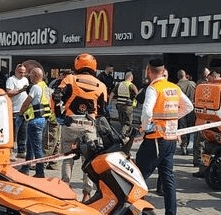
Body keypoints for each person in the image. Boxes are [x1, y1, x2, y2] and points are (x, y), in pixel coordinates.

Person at [135, 58, 193, 215]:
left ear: (148, 70)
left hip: (155, 140)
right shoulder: (174, 87)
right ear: (163, 70)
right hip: (170, 139)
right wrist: (172, 118)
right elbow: (188, 106)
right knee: (168, 180)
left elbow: (146, 112)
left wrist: (145, 128)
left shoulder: (153, 88)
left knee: (138, 179)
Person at [54, 53, 109, 202]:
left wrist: (59, 117)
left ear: (77, 65)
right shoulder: (101, 85)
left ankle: (65, 189)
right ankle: (87, 193)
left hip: (70, 123)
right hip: (88, 126)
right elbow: (103, 111)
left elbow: (56, 96)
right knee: (88, 161)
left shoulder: (70, 79)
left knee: (67, 158)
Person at [18, 67, 51, 178]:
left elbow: (27, 102)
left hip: (35, 121)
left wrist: (20, 113)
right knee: (30, 146)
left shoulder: (36, 87)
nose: (30, 77)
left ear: (36, 76)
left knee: (36, 148)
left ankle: (40, 172)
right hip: (43, 120)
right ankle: (25, 168)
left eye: (31, 75)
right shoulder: (45, 87)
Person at [5, 64, 29, 159]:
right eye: (20, 72)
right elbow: (9, 92)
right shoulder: (11, 80)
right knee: (12, 132)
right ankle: (9, 152)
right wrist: (21, 90)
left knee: (23, 131)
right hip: (14, 110)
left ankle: (21, 150)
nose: (22, 74)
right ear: (16, 71)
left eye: (24, 72)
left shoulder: (25, 80)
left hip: (23, 109)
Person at [109, 70, 138, 137]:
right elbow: (137, 95)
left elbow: (112, 94)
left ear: (125, 78)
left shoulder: (119, 84)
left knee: (122, 120)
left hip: (119, 105)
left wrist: (109, 102)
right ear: (131, 78)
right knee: (128, 121)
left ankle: (124, 132)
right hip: (127, 106)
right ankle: (123, 134)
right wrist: (135, 102)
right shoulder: (131, 85)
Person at [176, 69, 196, 156]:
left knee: (183, 128)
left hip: (182, 109)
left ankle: (184, 146)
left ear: (178, 76)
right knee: (190, 128)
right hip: (192, 109)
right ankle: (190, 147)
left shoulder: (177, 86)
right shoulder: (193, 84)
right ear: (185, 75)